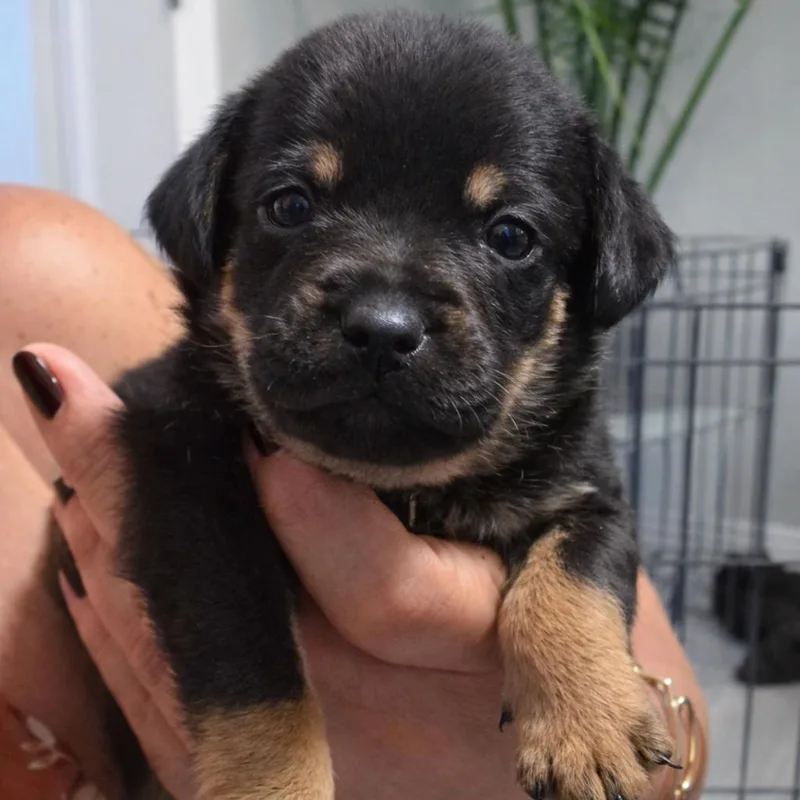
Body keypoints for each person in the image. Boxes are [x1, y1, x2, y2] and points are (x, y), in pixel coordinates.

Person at [0, 184, 708, 800]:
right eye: (293, 207)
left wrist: (618, 725)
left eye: (508, 237)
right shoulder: (196, 427)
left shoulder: (39, 260)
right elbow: (195, 544)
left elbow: (591, 523)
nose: (385, 318)